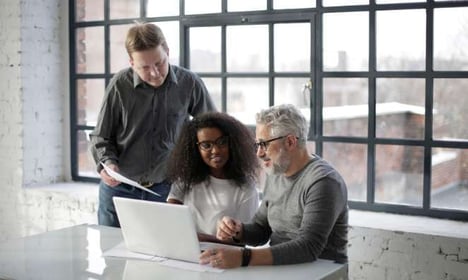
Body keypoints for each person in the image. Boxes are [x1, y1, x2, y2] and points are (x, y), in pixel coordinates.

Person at [89, 22, 216, 227]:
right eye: (144, 67)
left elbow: (212, 130)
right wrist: (107, 163)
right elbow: (101, 136)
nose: (155, 73)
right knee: (113, 255)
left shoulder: (189, 83)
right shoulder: (120, 84)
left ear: (167, 51)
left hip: (167, 190)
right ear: (131, 62)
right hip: (119, 189)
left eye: (159, 63)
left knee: (162, 256)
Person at [200, 104, 348, 268]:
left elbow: (309, 247)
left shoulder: (324, 182)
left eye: (264, 144)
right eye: (257, 145)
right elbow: (261, 229)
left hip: (321, 271)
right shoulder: (275, 172)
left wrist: (244, 257)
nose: (259, 153)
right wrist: (237, 231)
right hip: (283, 270)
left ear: (290, 142)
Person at [166, 112, 260, 237]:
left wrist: (195, 238)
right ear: (195, 149)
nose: (215, 151)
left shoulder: (246, 187)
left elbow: (241, 241)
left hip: (223, 254)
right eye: (206, 145)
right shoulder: (185, 179)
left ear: (232, 143)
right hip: (185, 251)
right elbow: (170, 221)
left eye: (222, 142)